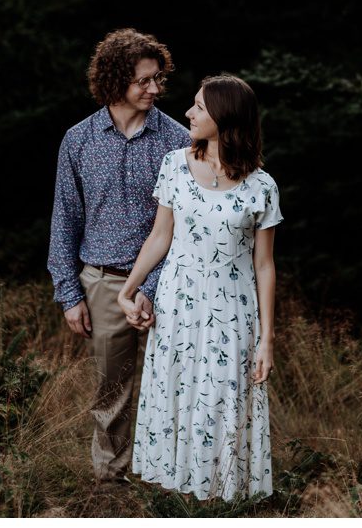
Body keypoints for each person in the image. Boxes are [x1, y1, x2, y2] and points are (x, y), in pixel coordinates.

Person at [118, 74, 282, 501]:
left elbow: (264, 265)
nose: (188, 113)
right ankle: (178, 499)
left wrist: (267, 339)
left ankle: (222, 499)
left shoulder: (262, 186)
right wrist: (129, 289)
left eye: (199, 108)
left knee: (223, 401)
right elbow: (159, 237)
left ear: (225, 119)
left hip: (233, 314)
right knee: (179, 394)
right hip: (178, 307)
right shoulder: (175, 164)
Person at [47, 28, 192, 481]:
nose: (154, 89)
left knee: (170, 386)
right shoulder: (79, 140)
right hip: (103, 283)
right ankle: (110, 482)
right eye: (143, 81)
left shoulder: (177, 140)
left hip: (167, 282)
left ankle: (167, 480)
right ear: (114, 82)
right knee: (112, 390)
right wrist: (69, 293)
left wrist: (147, 288)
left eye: (158, 79)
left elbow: (184, 227)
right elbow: (64, 219)